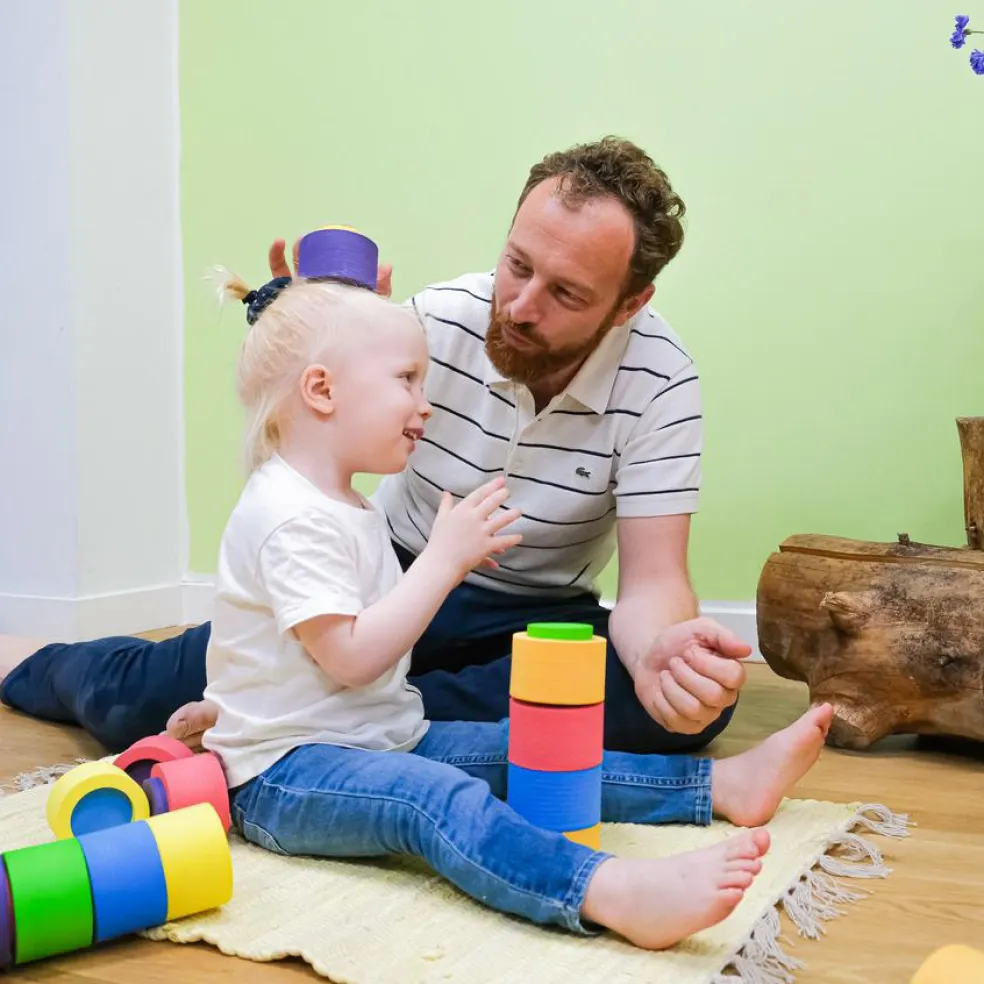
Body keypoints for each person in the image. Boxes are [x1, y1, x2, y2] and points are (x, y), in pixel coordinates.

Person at [1, 135, 750, 755]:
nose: (520, 306)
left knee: (674, 705)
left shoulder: (660, 380)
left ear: (629, 303)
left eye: (566, 293)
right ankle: (34, 660)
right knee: (143, 697)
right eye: (518, 265)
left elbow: (654, 580)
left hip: (533, 614)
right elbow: (313, 399)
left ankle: (332, 715)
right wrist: (299, 323)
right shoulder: (440, 320)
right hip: (381, 574)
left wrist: (661, 655)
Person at [186, 269, 829, 949]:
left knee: (528, 748)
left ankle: (718, 787)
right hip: (287, 777)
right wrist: (442, 561)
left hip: (377, 735)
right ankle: (604, 890)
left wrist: (232, 701)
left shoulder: (340, 503)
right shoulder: (290, 516)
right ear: (322, 390)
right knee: (434, 799)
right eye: (407, 381)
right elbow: (350, 659)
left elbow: (274, 649)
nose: (425, 405)